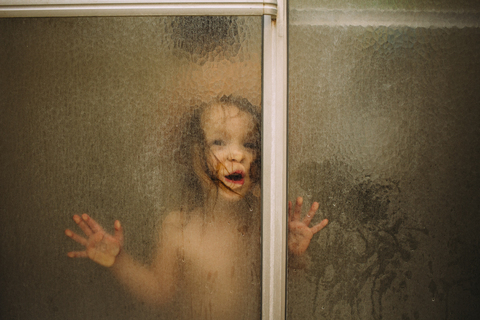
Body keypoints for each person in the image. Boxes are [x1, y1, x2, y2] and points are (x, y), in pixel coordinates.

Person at [65, 95, 328, 319]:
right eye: (219, 142)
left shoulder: (263, 218)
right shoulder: (177, 227)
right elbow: (160, 292)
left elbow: (285, 287)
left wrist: (293, 255)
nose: (237, 154)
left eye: (249, 144)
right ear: (194, 157)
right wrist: (119, 261)